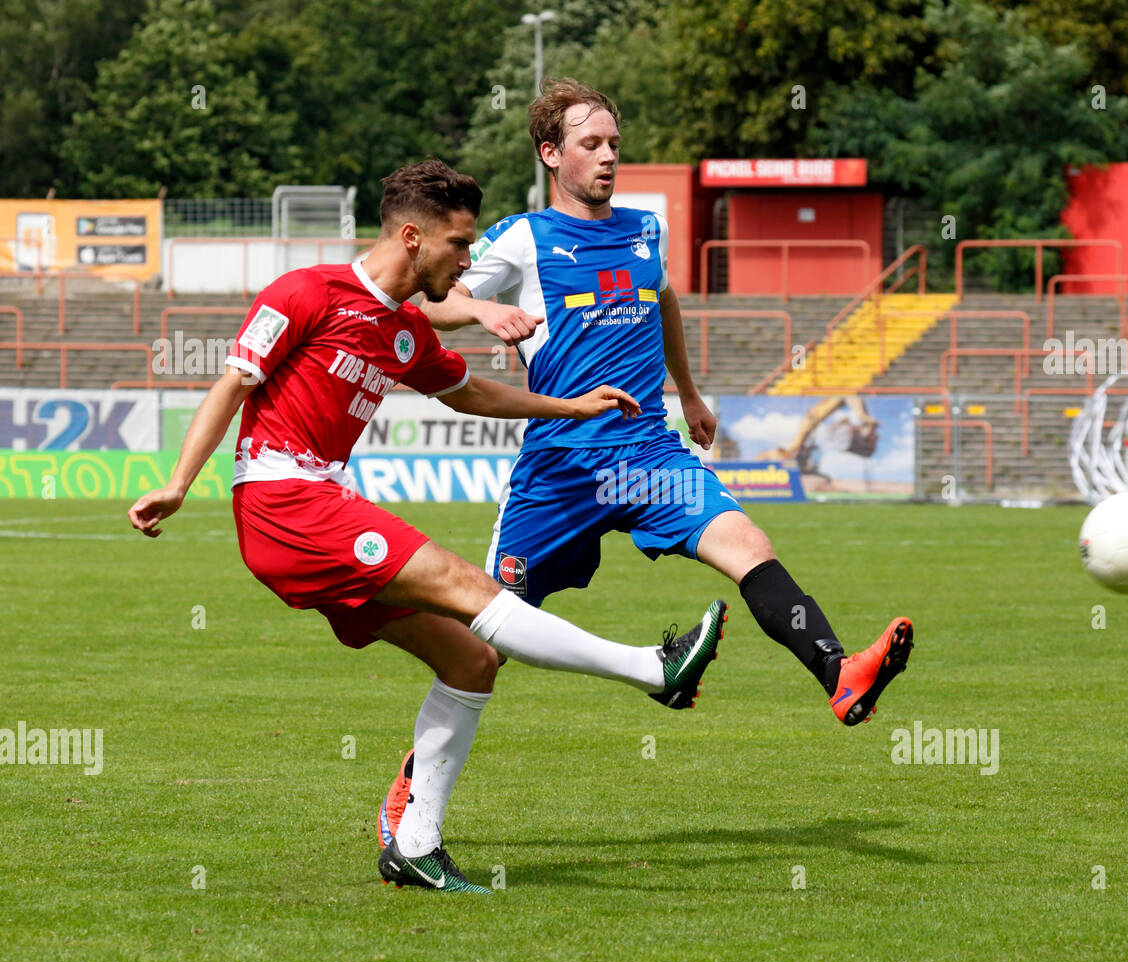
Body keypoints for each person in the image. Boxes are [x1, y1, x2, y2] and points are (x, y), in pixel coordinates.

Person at [128, 158, 727, 895]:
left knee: (472, 661)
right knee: (467, 584)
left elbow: (468, 391)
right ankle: (653, 670)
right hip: (285, 503)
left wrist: (570, 408)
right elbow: (233, 382)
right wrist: (178, 484)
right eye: (460, 245)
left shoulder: (404, 328)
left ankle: (416, 846)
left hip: (317, 508)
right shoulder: (308, 292)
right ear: (413, 237)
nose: (469, 262)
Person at [378, 80, 914, 847]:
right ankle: (408, 795)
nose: (606, 158)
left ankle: (840, 672)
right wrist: (482, 308)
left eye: (614, 145)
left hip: (648, 452)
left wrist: (689, 393)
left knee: (750, 548)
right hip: (558, 469)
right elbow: (420, 299)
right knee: (482, 644)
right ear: (550, 153)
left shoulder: (645, 229)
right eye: (590, 145)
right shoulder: (523, 239)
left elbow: (662, 303)